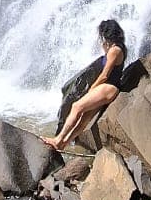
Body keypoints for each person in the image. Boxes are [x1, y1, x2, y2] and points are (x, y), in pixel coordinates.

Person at [42, 19, 127, 151]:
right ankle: (62, 144)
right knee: (83, 119)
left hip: (108, 87)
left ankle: (58, 139)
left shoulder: (115, 50)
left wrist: (92, 89)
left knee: (76, 107)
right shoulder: (115, 48)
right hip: (109, 88)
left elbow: (105, 75)